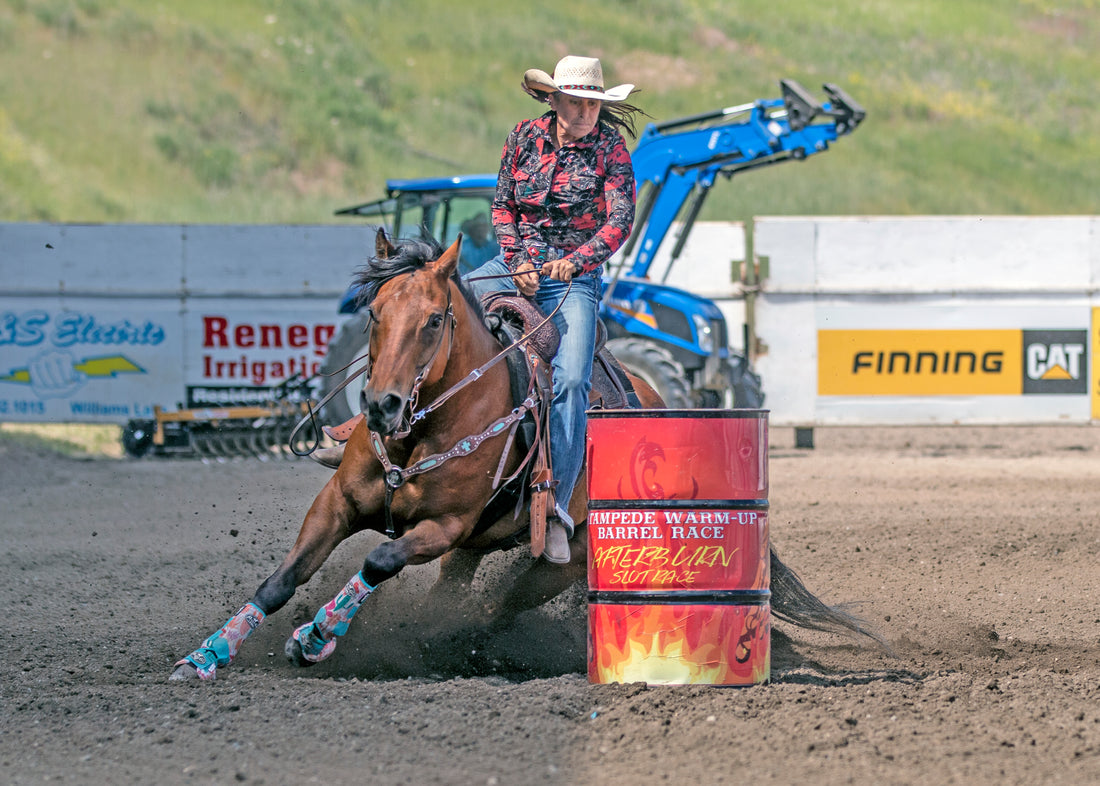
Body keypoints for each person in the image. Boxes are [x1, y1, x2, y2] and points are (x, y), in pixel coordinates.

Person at [465, 55, 645, 564]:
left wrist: (575, 261)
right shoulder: (523, 137)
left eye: (594, 103)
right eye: (577, 102)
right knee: (433, 309)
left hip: (574, 280)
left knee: (569, 380)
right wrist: (518, 259)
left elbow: (618, 221)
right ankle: (374, 430)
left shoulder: (611, 148)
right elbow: (503, 205)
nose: (587, 111)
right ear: (554, 100)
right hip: (512, 264)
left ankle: (560, 506)